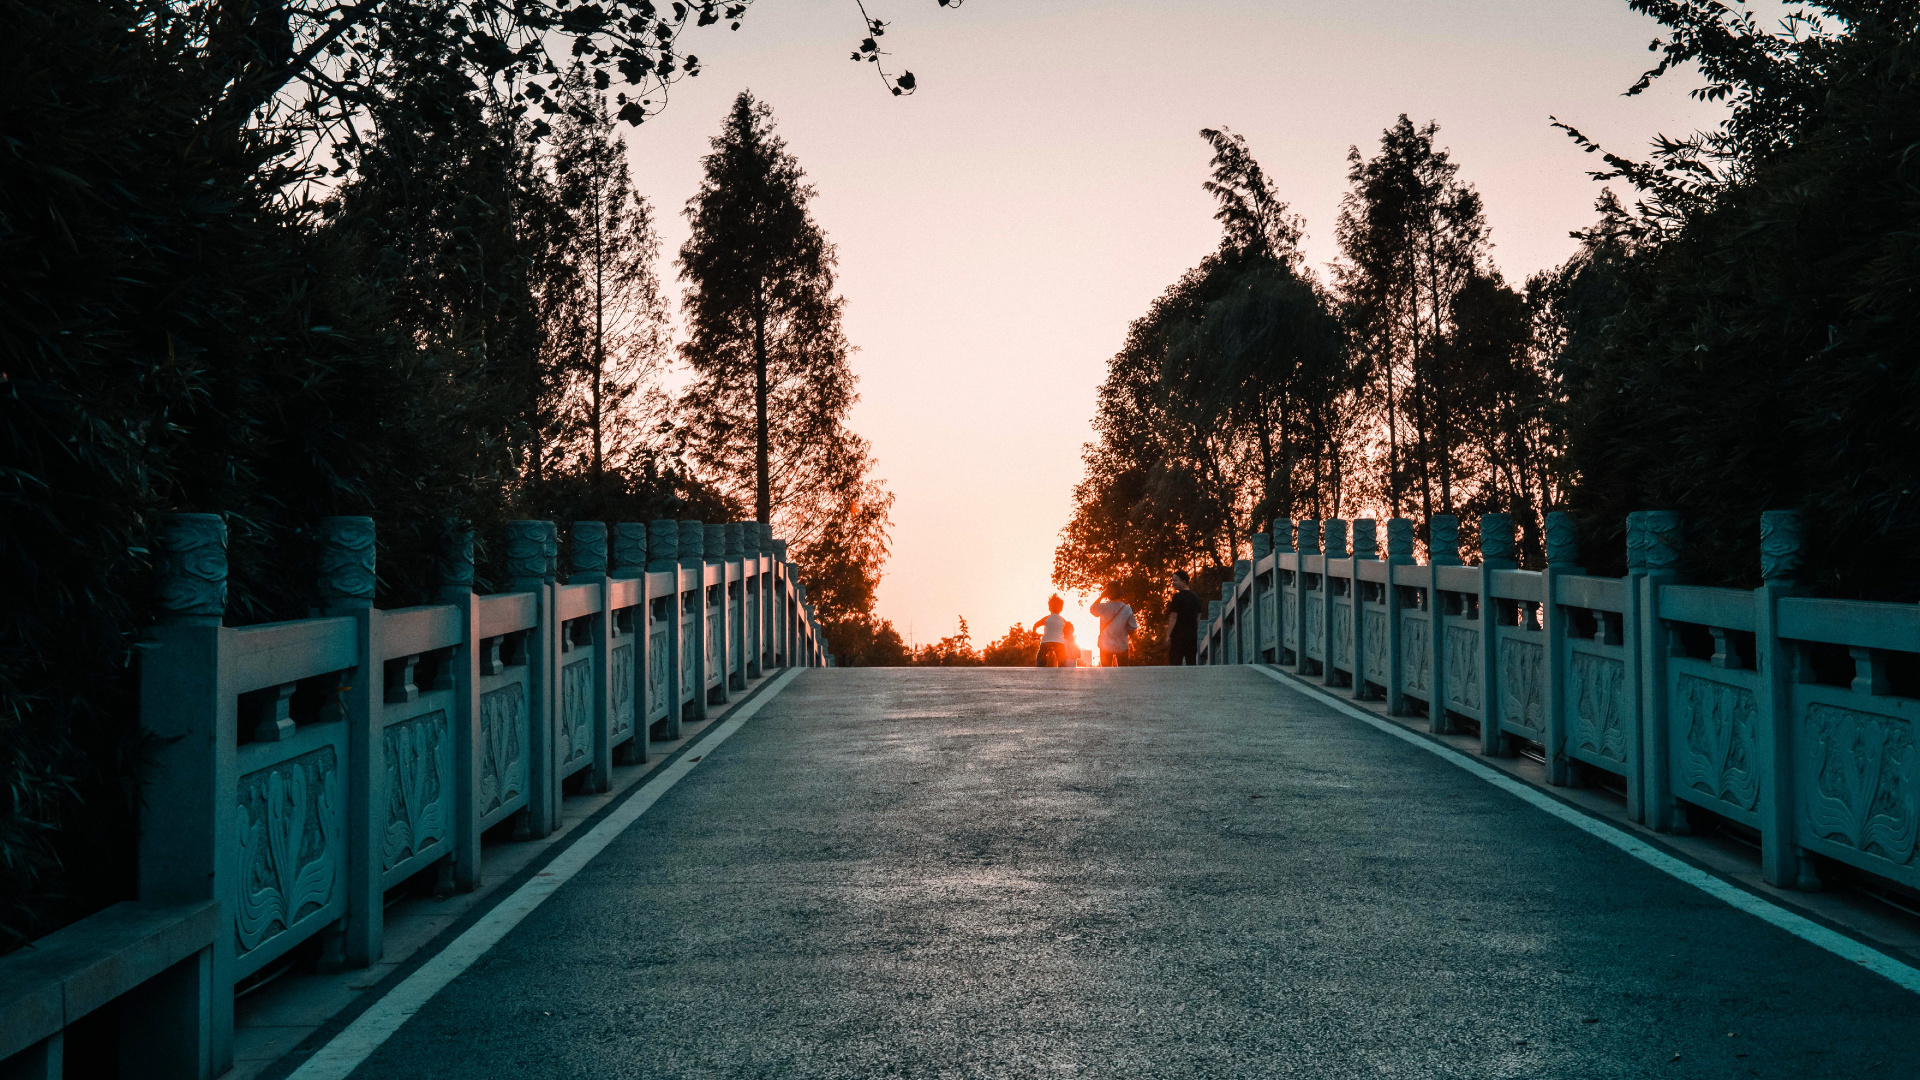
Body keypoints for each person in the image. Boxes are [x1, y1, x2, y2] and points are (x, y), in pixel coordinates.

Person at [1090, 583, 1139, 667]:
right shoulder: (1127, 609)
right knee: (1123, 674)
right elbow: (1132, 629)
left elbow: (1092, 609)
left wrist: (1101, 596)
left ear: (1108, 593)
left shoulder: (1104, 607)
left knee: (1107, 674)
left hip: (1105, 645)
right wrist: (1136, 645)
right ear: (1120, 593)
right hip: (1122, 646)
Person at [1164, 570, 1204, 666]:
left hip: (1178, 636)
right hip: (1192, 635)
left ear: (1184, 581)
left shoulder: (1177, 597)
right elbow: (1198, 617)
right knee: (1191, 662)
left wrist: (1168, 635)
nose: (1173, 583)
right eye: (1172, 580)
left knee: (1175, 663)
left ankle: (1176, 681)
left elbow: (1173, 617)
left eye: (1176, 580)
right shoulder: (1196, 597)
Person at [1033, 595, 1070, 667]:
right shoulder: (1063, 620)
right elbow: (1068, 630)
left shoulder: (1046, 618)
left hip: (1046, 641)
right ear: (1061, 608)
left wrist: (1034, 633)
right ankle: (1062, 671)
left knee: (1040, 656)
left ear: (1049, 607)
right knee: (1062, 659)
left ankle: (1040, 668)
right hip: (1059, 643)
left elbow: (1036, 625)